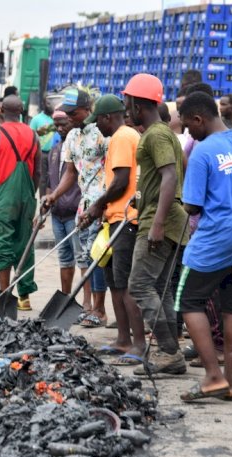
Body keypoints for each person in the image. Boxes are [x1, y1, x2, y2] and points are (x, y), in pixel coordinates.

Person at [175, 91, 232, 402]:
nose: (187, 131)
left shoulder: (202, 152)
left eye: (187, 125)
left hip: (215, 239)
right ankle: (229, 382)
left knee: (188, 301)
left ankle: (212, 376)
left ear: (199, 119)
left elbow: (194, 206)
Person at [123, 73, 189, 376]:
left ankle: (168, 352)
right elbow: (169, 175)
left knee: (138, 284)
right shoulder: (160, 134)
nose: (126, 109)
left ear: (138, 105)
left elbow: (170, 176)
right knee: (159, 288)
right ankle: (168, 351)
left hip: (160, 220)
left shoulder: (156, 135)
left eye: (127, 103)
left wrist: (158, 222)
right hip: (159, 214)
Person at [79, 95, 147, 362]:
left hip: (127, 220)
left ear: (108, 117)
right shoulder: (125, 135)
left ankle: (139, 345)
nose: (96, 126)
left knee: (126, 285)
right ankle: (122, 339)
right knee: (115, 283)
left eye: (97, 121)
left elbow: (120, 182)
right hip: (115, 218)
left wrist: (96, 206)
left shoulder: (121, 137)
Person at [44, 89, 109, 327]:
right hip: (84, 207)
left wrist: (105, 205)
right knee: (85, 258)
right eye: (67, 112)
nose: (69, 117)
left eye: (73, 113)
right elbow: (70, 173)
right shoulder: (72, 137)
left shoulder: (103, 134)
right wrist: (54, 195)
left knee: (96, 258)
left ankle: (98, 309)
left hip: (102, 205)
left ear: (87, 110)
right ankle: (87, 306)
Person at [0, 95, 40, 314]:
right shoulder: (33, 134)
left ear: (1, 110)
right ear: (22, 111)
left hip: (4, 197)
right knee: (25, 244)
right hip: (27, 196)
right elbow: (39, 171)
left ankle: (5, 299)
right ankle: (24, 297)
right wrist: (31, 195)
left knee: (3, 245)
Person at [45, 111, 87, 307]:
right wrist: (44, 205)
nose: (60, 128)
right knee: (65, 258)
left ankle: (87, 304)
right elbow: (48, 181)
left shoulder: (80, 149)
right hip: (57, 214)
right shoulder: (54, 150)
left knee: (83, 259)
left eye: (63, 124)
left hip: (75, 212)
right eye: (56, 125)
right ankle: (66, 301)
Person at [30, 98, 55, 197]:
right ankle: (43, 204)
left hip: (56, 154)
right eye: (48, 103)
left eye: (52, 103)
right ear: (43, 104)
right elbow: (31, 136)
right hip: (42, 153)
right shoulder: (36, 119)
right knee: (43, 179)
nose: (51, 105)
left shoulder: (57, 118)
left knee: (54, 178)